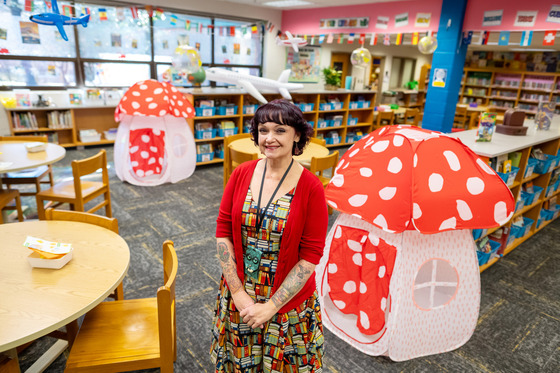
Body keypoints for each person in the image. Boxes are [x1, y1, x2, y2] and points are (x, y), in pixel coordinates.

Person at [210, 99, 329, 372]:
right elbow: (223, 231)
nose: (270, 138)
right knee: (241, 363)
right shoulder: (241, 174)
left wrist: (271, 307)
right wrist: (238, 293)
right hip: (240, 292)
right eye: (263, 130)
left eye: (280, 130)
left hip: (286, 301)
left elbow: (311, 255)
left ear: (297, 135)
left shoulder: (311, 187)